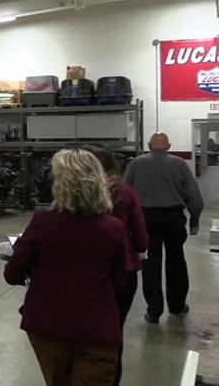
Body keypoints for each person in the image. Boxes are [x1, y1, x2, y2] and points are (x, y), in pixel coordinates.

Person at [4, 149, 127, 386]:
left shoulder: (43, 224)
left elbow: (12, 275)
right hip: (97, 331)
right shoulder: (114, 229)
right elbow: (119, 283)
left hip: (48, 328)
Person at [85, 145, 148, 386]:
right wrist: (140, 250)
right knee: (114, 329)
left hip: (88, 269)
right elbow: (141, 234)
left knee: (86, 326)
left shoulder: (79, 194)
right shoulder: (126, 193)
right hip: (124, 268)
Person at [124, 133, 203, 323]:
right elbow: (193, 194)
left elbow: (124, 192)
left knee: (150, 263)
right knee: (176, 261)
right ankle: (177, 306)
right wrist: (194, 217)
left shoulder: (136, 164)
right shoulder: (179, 164)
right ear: (169, 146)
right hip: (173, 218)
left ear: (149, 145)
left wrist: (126, 222)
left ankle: (154, 311)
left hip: (146, 219)